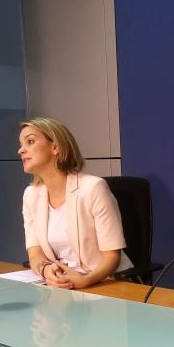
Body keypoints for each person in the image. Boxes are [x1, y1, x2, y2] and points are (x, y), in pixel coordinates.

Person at [19, 117, 132, 289]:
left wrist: (85, 280)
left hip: (104, 283)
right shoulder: (31, 195)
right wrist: (46, 269)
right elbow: (34, 252)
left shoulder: (93, 188)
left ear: (55, 147)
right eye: (21, 144)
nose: (21, 150)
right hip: (61, 287)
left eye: (30, 141)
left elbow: (112, 257)